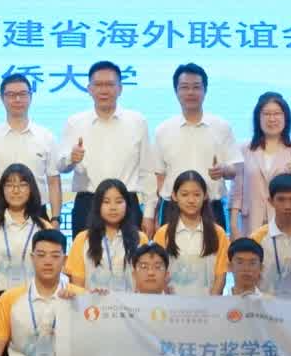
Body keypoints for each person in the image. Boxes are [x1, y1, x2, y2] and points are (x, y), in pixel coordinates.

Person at [61, 62, 156, 235]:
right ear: (89, 89)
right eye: (98, 85)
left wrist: (149, 214)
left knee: (130, 252)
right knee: (84, 252)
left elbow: (147, 172)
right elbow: (60, 167)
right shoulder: (75, 122)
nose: (104, 90)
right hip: (88, 203)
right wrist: (71, 158)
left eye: (110, 84)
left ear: (120, 89)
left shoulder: (137, 122)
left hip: (126, 203)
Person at [150, 63, 239, 229]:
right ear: (176, 91)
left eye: (196, 87)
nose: (190, 92)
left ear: (205, 90)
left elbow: (235, 169)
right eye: (184, 87)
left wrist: (224, 169)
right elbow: (159, 177)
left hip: (211, 207)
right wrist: (152, 214)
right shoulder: (163, 129)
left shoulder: (221, 126)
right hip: (172, 208)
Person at [0, 73, 63, 217]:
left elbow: (53, 181)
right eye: (11, 95)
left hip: (36, 213)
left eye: (23, 94)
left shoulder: (46, 136)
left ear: (31, 97)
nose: (17, 99)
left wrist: (56, 218)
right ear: (2, 98)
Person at [0, 164, 55, 305]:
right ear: (2, 190)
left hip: (36, 301)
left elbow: (52, 271)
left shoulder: (45, 228)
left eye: (22, 185)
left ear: (31, 189)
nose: (16, 190)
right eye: (9, 185)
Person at [240, 92, 291, 236]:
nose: (272, 119)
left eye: (277, 113)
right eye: (266, 114)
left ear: (286, 117)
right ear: (258, 118)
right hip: (252, 221)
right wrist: (233, 225)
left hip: (286, 221)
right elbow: (236, 192)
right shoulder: (244, 149)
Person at [154, 170, 228, 296]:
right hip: (172, 305)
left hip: (208, 305)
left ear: (205, 196)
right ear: (174, 196)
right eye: (184, 194)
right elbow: (158, 274)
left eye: (197, 195)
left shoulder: (218, 233)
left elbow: (221, 276)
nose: (191, 200)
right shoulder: (163, 233)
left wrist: (211, 303)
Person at [66, 178, 141, 292]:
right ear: (97, 206)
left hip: (132, 303)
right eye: (106, 202)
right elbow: (77, 286)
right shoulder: (82, 239)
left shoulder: (140, 238)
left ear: (127, 205)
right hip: (92, 302)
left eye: (119, 202)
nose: (113, 207)